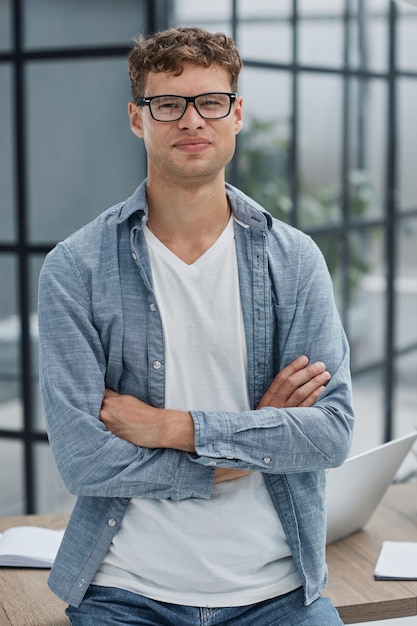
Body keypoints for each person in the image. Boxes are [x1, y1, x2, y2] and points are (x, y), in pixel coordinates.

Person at [38, 26, 354, 626]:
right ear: (138, 118)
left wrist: (169, 427)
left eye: (211, 102)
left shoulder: (294, 259)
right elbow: (84, 462)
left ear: (236, 116)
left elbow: (330, 434)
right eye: (168, 104)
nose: (192, 120)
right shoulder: (75, 269)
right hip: (123, 591)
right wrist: (254, 442)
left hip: (281, 592)